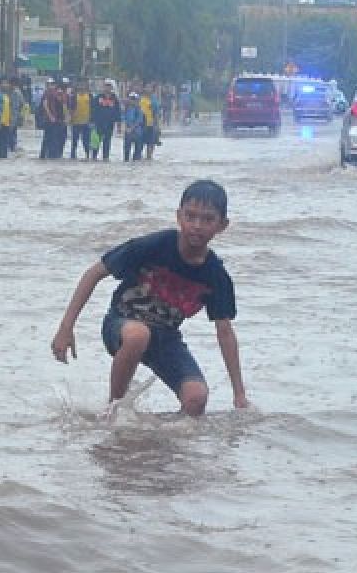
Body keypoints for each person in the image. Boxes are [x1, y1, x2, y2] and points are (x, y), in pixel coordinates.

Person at [51, 179, 249, 416]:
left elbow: (225, 331)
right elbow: (94, 273)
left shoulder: (215, 274)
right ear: (179, 217)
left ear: (222, 225)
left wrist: (239, 393)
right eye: (190, 216)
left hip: (165, 339)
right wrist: (66, 328)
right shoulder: (155, 245)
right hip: (120, 324)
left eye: (207, 219)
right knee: (138, 335)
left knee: (196, 399)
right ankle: (114, 410)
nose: (197, 225)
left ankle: (158, 441)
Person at [92, 79, 121, 161]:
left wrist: (118, 125)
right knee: (96, 141)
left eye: (109, 86)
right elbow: (93, 109)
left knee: (107, 141)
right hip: (99, 123)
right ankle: (94, 157)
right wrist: (92, 121)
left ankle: (105, 157)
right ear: (104, 86)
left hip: (110, 123)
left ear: (111, 87)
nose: (107, 87)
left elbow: (117, 112)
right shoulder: (98, 97)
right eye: (106, 85)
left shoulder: (114, 98)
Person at [39, 81, 67, 159]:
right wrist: (50, 116)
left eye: (53, 84)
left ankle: (54, 156)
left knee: (57, 139)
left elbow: (64, 107)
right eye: (50, 84)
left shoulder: (63, 95)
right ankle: (47, 156)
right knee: (49, 139)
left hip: (58, 121)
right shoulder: (47, 93)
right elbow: (45, 105)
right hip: (50, 121)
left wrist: (66, 118)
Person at [68, 82, 93, 160]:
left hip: (86, 122)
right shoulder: (74, 96)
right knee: (74, 140)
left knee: (86, 140)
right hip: (76, 122)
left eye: (83, 88)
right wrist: (71, 119)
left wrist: (92, 120)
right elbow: (71, 108)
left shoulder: (89, 96)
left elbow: (93, 108)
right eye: (80, 88)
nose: (81, 89)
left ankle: (87, 155)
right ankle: (73, 155)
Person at [123, 91, 145, 162]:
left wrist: (131, 128)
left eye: (134, 99)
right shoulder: (126, 109)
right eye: (131, 99)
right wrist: (126, 128)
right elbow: (123, 119)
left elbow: (139, 121)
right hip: (128, 132)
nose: (132, 100)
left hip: (137, 133)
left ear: (137, 100)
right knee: (126, 153)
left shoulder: (139, 110)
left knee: (137, 155)